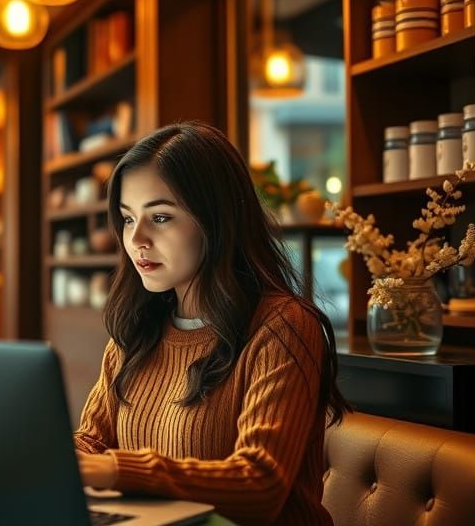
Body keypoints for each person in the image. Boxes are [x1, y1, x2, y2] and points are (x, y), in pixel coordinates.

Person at [73, 122, 350, 526]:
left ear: (216, 220)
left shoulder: (284, 327)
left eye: (160, 217)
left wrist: (118, 470)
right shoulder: (136, 330)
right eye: (128, 219)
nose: (137, 239)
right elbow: (91, 442)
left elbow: (260, 485)